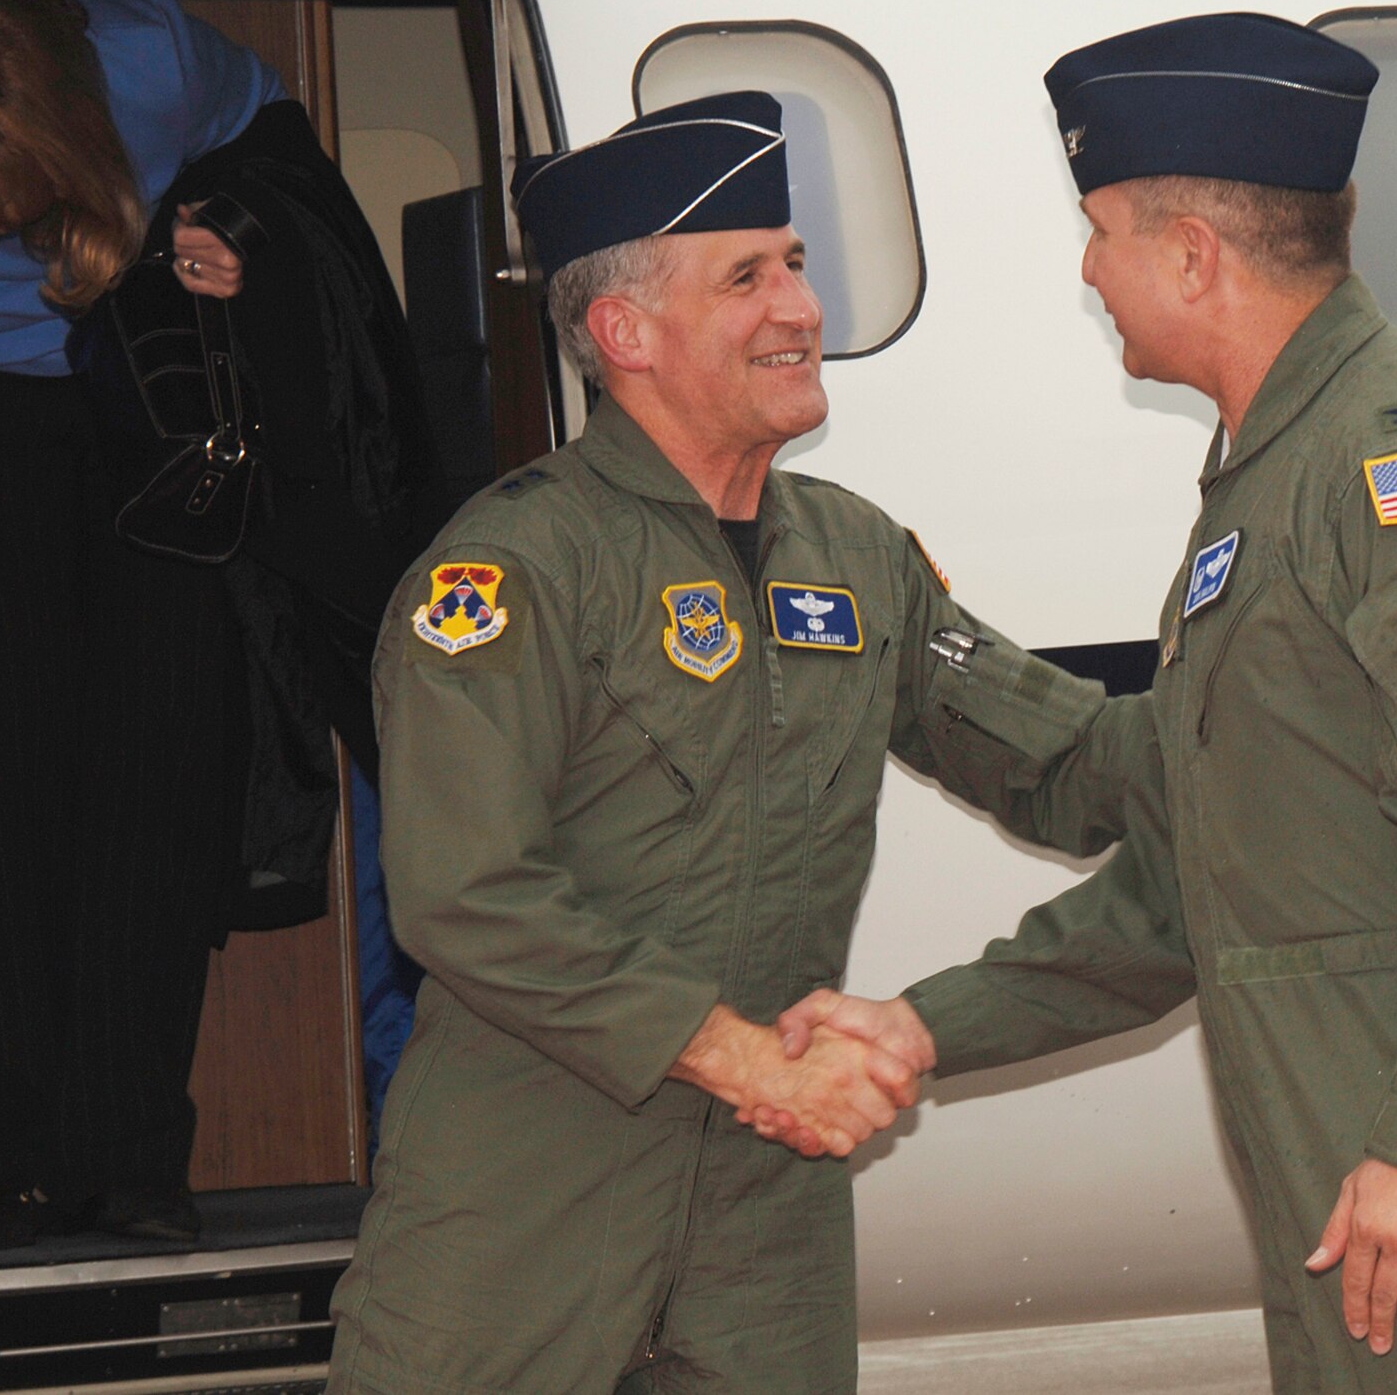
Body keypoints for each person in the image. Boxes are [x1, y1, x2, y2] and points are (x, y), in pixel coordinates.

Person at [768, 13, 1397, 1393]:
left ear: (1192, 255)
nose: (1088, 270)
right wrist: (929, 1025)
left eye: (1099, 231)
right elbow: (1201, 875)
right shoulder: (1273, 480)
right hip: (1370, 1189)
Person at [325, 90, 1134, 1395]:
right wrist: (742, 1054)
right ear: (624, 330)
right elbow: (465, 892)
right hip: (531, 1180)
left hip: (767, 1204)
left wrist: (1271, 724)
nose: (801, 309)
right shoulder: (512, 568)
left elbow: (1065, 759)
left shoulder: (858, 554)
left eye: (798, 267)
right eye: (747, 277)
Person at [0, 0, 283, 1249]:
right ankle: (30, 1158)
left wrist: (230, 228)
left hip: (147, 405)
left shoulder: (149, 55)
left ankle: (138, 1157)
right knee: (6, 805)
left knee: (152, 796)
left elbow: (276, 148)